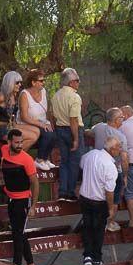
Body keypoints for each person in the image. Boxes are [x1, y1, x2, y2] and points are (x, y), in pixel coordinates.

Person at [77, 136, 121, 265]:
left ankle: (87, 256)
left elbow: (81, 165)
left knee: (87, 227)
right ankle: (96, 258)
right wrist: (111, 208)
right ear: (112, 149)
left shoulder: (90, 155)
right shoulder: (110, 166)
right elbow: (109, 191)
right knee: (98, 230)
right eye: (118, 147)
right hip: (99, 201)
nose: (119, 150)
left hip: (85, 197)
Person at [0, 129, 40, 265]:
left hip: (22, 201)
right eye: (16, 142)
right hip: (10, 199)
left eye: (21, 142)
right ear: (9, 142)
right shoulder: (4, 150)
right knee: (19, 233)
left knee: (17, 234)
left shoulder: (27, 159)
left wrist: (33, 205)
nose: (19, 145)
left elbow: (35, 183)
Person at [90, 107, 129, 231]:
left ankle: (98, 222)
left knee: (99, 198)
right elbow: (124, 158)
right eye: (121, 117)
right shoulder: (121, 136)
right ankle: (110, 222)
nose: (123, 119)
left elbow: (88, 132)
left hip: (97, 170)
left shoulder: (99, 127)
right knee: (114, 199)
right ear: (116, 120)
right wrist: (125, 175)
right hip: (114, 170)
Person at [52, 68, 84, 201]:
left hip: (60, 129)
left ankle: (62, 192)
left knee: (64, 161)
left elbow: (52, 116)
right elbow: (74, 119)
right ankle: (70, 192)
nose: (78, 83)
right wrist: (76, 138)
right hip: (72, 130)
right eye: (77, 80)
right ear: (71, 82)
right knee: (74, 162)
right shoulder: (74, 96)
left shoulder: (55, 96)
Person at [19, 69, 57, 170]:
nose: (43, 83)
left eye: (43, 80)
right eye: (41, 81)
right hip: (28, 123)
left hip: (42, 121)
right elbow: (24, 117)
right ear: (33, 82)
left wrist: (49, 122)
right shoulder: (24, 94)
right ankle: (39, 160)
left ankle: (45, 159)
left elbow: (47, 110)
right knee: (47, 134)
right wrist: (42, 125)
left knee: (54, 135)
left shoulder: (43, 91)